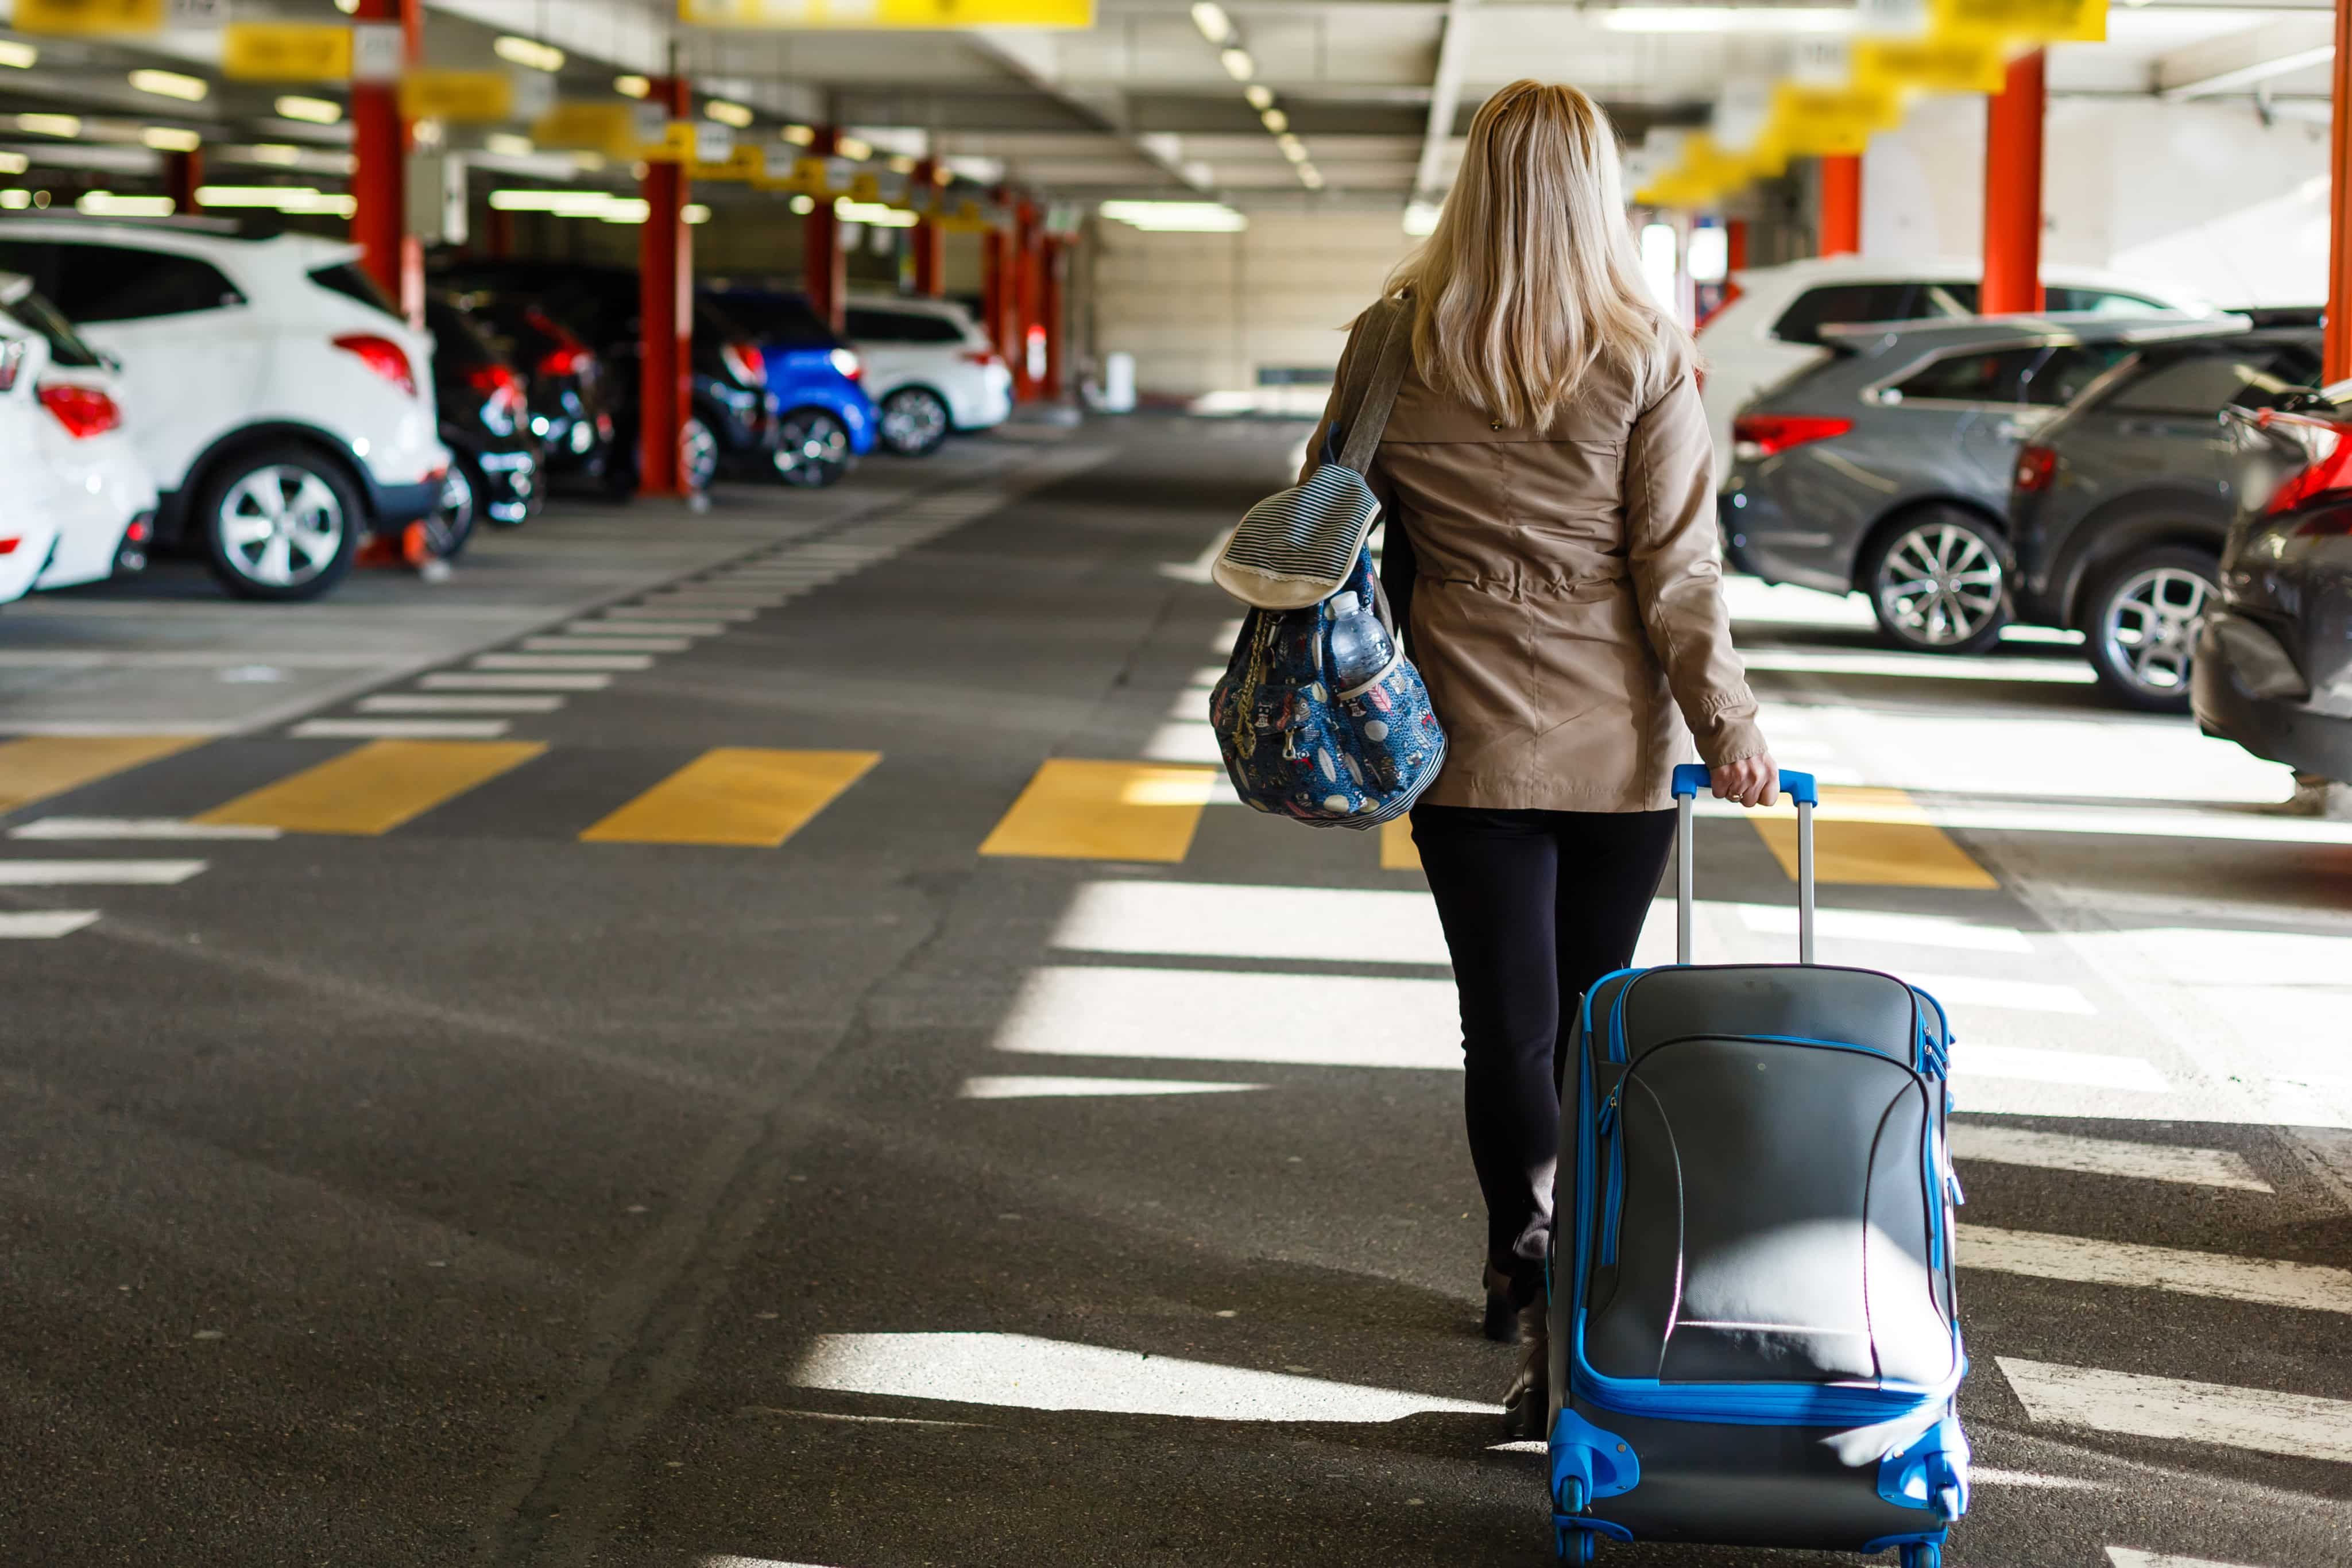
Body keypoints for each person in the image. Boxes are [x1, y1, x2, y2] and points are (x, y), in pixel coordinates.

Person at [1298, 79, 1780, 1437]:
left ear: (1475, 182)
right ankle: (1585, 1275)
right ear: (1594, 189)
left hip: (1449, 733)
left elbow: (1326, 520)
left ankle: (1522, 1245)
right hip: (1614, 743)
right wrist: (1729, 730)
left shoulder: (1394, 342)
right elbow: (1678, 575)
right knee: (1591, 1021)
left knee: (1499, 1022)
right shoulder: (1641, 353)